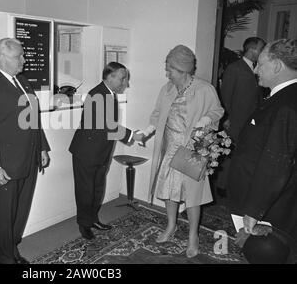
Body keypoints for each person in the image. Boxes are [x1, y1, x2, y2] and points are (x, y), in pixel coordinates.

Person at [0, 38, 50, 264]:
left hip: (29, 158)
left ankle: (13, 250)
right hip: (5, 164)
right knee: (6, 215)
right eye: (19, 56)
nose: (24, 60)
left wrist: (43, 147)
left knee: (20, 211)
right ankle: (5, 259)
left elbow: (33, 119)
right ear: (3, 58)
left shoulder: (22, 82)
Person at [144, 45, 224, 258]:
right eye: (167, 68)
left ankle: (192, 237)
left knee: (192, 196)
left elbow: (217, 110)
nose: (167, 73)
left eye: (170, 69)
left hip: (191, 149)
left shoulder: (204, 89)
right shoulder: (167, 88)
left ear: (183, 70)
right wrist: (149, 129)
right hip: (170, 147)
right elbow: (157, 112)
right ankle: (171, 226)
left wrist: (206, 119)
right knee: (169, 190)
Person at [227, 39, 297, 242]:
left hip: (270, 208)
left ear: (276, 65)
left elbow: (276, 163)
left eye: (260, 64)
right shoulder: (284, 97)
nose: (256, 70)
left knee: (265, 253)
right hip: (272, 200)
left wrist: (253, 211)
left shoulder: (285, 106)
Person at [69, 62, 145, 240]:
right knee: (85, 190)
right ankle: (84, 224)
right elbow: (107, 125)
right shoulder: (97, 94)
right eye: (122, 78)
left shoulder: (109, 94)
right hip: (86, 152)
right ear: (109, 77)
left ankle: (93, 219)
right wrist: (133, 135)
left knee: (97, 189)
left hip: (100, 150)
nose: (125, 83)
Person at [217, 38, 266, 194]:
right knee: (228, 153)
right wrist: (226, 118)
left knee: (243, 154)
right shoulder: (235, 68)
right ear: (252, 50)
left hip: (250, 120)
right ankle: (222, 186)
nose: (263, 52)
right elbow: (225, 95)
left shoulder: (257, 69)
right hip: (234, 120)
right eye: (261, 49)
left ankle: (235, 185)